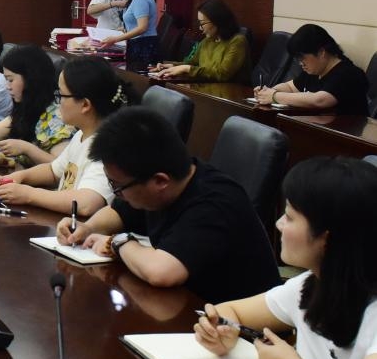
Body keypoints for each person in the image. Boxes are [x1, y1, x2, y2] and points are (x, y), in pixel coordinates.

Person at [194, 156, 377, 359]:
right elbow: (230, 311)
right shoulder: (310, 285)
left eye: (289, 217)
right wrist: (223, 333)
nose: (279, 224)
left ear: (327, 239)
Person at [58, 107, 280, 304]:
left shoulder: (215, 203)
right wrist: (87, 228)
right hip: (191, 310)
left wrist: (118, 241)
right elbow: (119, 212)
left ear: (160, 181)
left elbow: (161, 272)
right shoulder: (156, 183)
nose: (118, 194)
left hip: (242, 328)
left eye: (118, 186)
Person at [0, 55, 130, 216]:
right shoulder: (81, 135)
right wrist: (20, 176)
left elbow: (86, 204)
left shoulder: (108, 148)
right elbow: (53, 171)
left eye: (61, 96)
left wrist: (29, 195)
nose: (57, 103)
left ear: (85, 104)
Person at [253, 24, 369, 114]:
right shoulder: (315, 70)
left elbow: (319, 100)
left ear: (321, 52)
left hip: (345, 134)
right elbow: (290, 87)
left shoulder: (348, 73)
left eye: (302, 57)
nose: (300, 63)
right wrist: (267, 92)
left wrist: (274, 96)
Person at [152, 0, 249, 82]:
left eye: (202, 23)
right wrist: (171, 66)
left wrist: (186, 68)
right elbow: (191, 63)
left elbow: (222, 74)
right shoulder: (207, 41)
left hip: (229, 93)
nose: (200, 28)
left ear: (217, 21)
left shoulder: (237, 41)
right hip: (206, 88)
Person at [95, 0, 159, 67]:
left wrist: (116, 39)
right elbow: (135, 24)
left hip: (144, 46)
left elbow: (142, 27)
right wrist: (121, 30)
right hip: (138, 44)